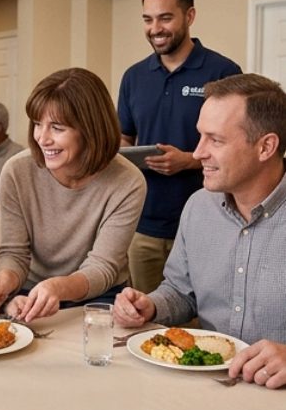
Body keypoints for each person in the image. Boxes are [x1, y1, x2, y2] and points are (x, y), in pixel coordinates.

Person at [114, 73, 286, 389]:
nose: (197, 153)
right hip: (206, 386)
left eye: (215, 140)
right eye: (200, 136)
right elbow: (182, 292)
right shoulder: (199, 206)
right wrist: (150, 306)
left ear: (266, 147)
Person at [0, 68, 147, 323]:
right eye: (37, 124)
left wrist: (58, 287)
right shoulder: (16, 171)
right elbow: (13, 252)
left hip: (101, 295)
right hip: (32, 291)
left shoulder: (128, 181)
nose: (42, 138)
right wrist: (5, 282)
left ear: (90, 130)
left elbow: (103, 267)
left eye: (56, 128)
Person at [117, 0, 242, 293]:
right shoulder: (133, 77)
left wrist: (188, 160)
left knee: (201, 321)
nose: (155, 28)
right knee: (145, 319)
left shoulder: (223, 72)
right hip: (142, 225)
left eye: (165, 18)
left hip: (209, 222)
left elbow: (239, 148)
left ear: (190, 16)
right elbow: (124, 138)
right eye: (147, 19)